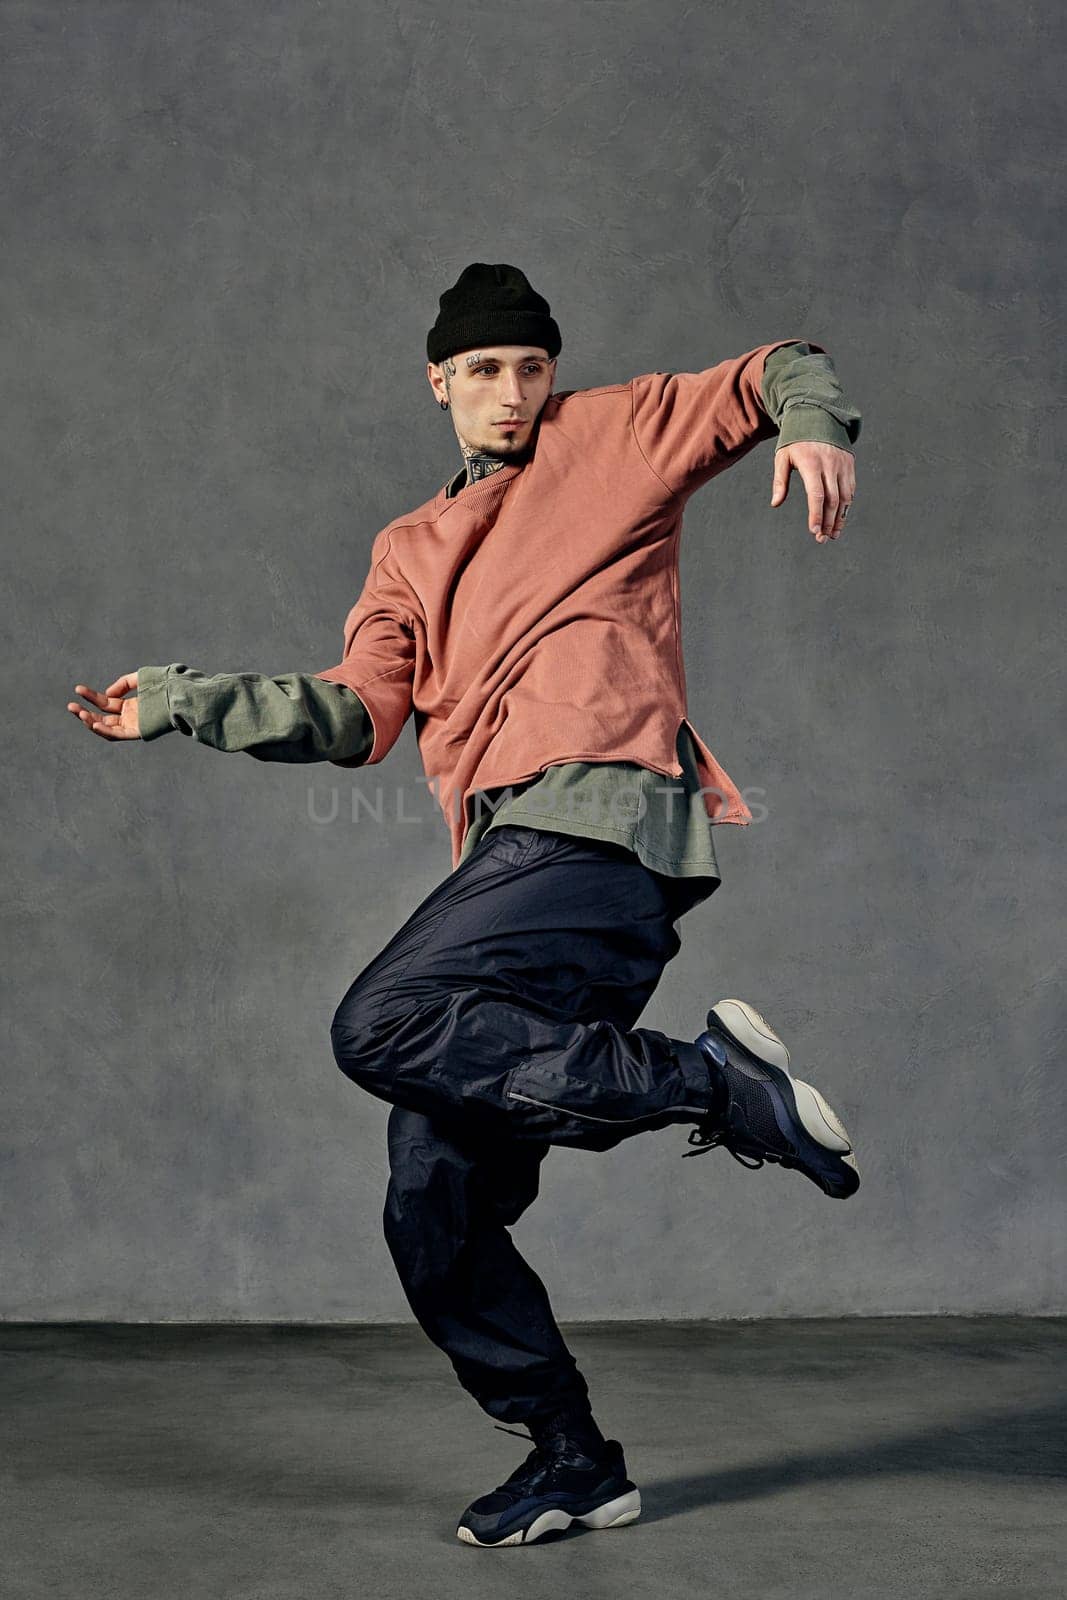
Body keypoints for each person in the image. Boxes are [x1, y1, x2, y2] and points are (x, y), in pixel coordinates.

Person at [68, 262, 863, 1549]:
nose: (512, 393)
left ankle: (713, 1084)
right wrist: (181, 699)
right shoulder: (407, 551)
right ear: (438, 380)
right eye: (484, 371)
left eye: (529, 368)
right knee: (430, 1194)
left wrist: (814, 425)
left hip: (598, 819)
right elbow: (355, 714)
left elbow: (774, 371)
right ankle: (573, 1459)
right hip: (512, 861)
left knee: (378, 1020)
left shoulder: (605, 437)